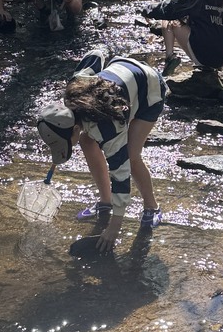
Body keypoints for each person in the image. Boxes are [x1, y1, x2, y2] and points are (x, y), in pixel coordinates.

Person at [37, 50, 166, 254]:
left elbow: (121, 175)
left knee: (131, 156)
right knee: (86, 141)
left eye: (65, 143)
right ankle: (105, 202)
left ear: (74, 127)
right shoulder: (73, 90)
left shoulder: (108, 128)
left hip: (148, 89)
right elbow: (95, 55)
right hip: (122, 74)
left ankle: (152, 207)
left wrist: (114, 226)